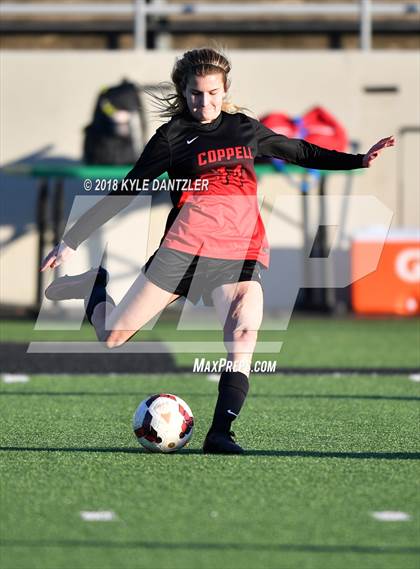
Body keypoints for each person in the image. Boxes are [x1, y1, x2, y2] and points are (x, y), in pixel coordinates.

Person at [40, 47, 395, 454]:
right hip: (184, 250)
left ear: (224, 90)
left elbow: (300, 150)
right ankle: (93, 286)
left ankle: (220, 433)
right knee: (112, 336)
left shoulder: (244, 129)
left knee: (244, 334)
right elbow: (126, 190)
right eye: (195, 94)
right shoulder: (171, 137)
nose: (203, 103)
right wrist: (71, 239)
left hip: (239, 249)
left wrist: (357, 160)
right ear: (183, 91)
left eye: (212, 93)